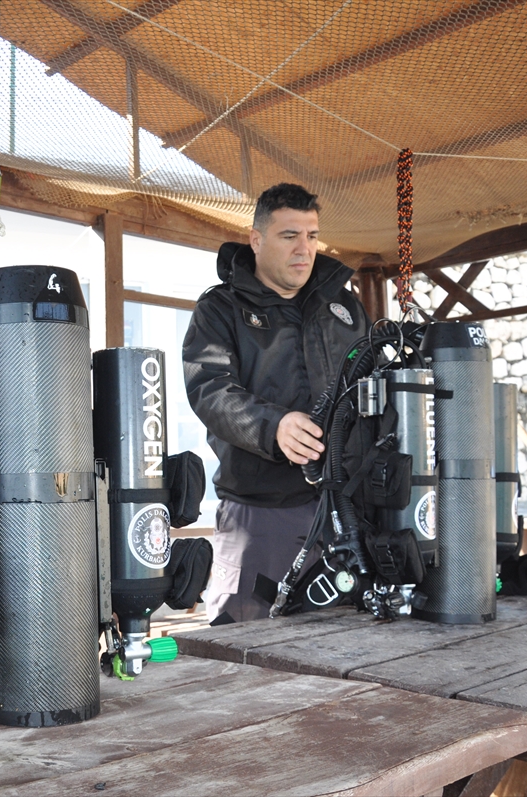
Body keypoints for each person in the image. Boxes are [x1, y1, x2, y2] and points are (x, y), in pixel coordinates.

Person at [182, 183, 370, 624]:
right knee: (242, 644)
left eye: (312, 236)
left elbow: (372, 386)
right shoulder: (220, 308)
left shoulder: (344, 306)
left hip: (345, 513)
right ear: (257, 239)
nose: (304, 249)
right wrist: (274, 426)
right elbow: (209, 388)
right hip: (259, 515)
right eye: (289, 236)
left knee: (342, 647)